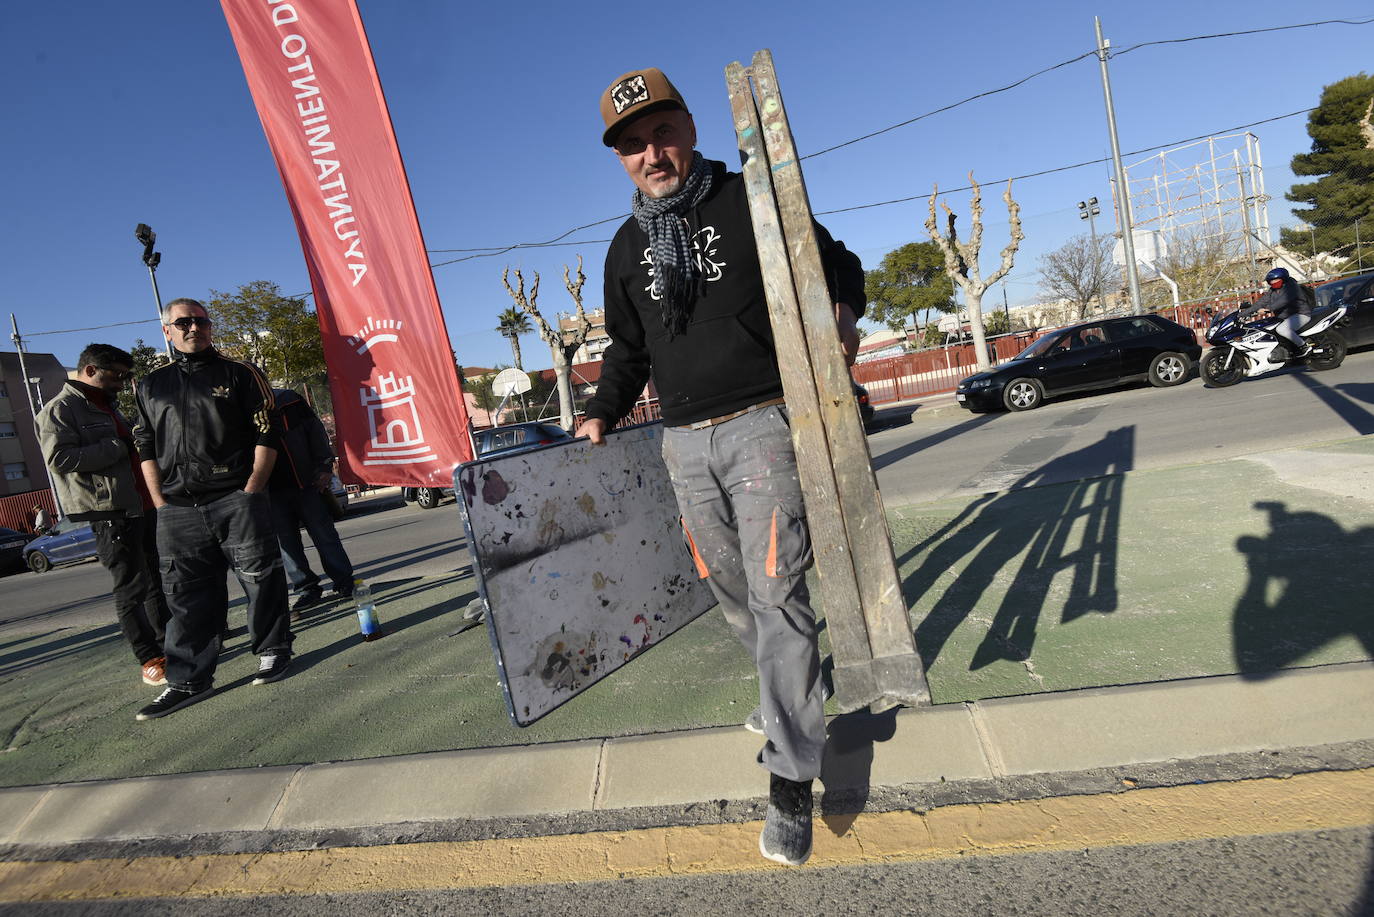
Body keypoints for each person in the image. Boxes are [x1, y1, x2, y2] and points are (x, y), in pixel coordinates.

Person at [576, 68, 864, 867]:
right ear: (621, 157)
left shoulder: (751, 201)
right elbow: (629, 350)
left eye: (661, 133)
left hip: (766, 424)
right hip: (683, 441)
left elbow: (837, 262)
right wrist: (600, 408)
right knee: (731, 590)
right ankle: (788, 683)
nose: (651, 153)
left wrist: (841, 309)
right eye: (632, 145)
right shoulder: (625, 247)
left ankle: (791, 777)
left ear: (691, 127)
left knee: (777, 594)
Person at [132, 298, 293, 721]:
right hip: (177, 509)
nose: (193, 328)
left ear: (210, 327)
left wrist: (252, 487)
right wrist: (159, 500)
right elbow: (145, 443)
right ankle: (188, 679)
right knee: (184, 596)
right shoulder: (150, 385)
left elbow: (267, 430)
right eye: (183, 322)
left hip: (235, 498)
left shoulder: (240, 373)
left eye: (200, 321)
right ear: (167, 331)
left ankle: (273, 651)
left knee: (260, 578)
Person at [36, 343, 171, 686]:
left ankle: (171, 644)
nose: (123, 383)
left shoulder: (106, 405)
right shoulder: (59, 410)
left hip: (140, 505)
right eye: (118, 376)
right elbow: (59, 460)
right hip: (107, 512)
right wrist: (117, 446)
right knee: (130, 588)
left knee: (155, 578)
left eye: (126, 377)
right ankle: (149, 657)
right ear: (91, 370)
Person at [268, 388, 354, 618]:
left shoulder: (290, 400)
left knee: (325, 536)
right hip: (271, 491)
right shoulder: (242, 407)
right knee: (287, 545)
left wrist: (325, 466)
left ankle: (345, 581)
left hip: (308, 483)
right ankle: (307, 589)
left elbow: (316, 433)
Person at [1240, 267, 1313, 358]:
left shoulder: (1292, 287)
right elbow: (1260, 302)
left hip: (1301, 314)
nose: (1273, 282)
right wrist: (1242, 314)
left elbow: (1283, 301)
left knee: (1282, 330)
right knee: (1267, 329)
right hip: (1284, 317)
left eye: (1276, 280)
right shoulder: (1272, 291)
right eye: (1271, 281)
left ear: (1283, 279)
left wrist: (1267, 309)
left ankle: (1304, 346)